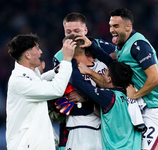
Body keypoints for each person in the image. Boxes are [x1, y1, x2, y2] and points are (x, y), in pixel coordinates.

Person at [76, 8, 158, 150]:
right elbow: (114, 65)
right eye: (110, 25)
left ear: (128, 26)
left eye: (116, 26)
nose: (111, 30)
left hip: (156, 109)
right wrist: (92, 47)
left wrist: (136, 94)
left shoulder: (139, 45)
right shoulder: (123, 45)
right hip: (142, 107)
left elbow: (156, 79)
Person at [52, 12, 116, 150]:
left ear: (85, 30)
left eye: (77, 31)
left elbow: (119, 78)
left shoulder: (103, 47)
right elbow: (64, 94)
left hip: (105, 120)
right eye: (68, 31)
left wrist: (86, 96)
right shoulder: (59, 57)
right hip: (77, 122)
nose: (73, 35)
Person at [6, 33, 75, 150]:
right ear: (27, 55)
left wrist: (56, 71)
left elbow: (39, 81)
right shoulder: (20, 81)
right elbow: (56, 89)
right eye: (37, 49)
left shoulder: (28, 75)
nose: (41, 52)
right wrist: (66, 60)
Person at [69, 58, 142, 150]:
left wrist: (72, 60)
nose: (102, 76)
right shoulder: (130, 96)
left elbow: (78, 82)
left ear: (109, 79)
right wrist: (87, 99)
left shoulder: (109, 96)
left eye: (105, 73)